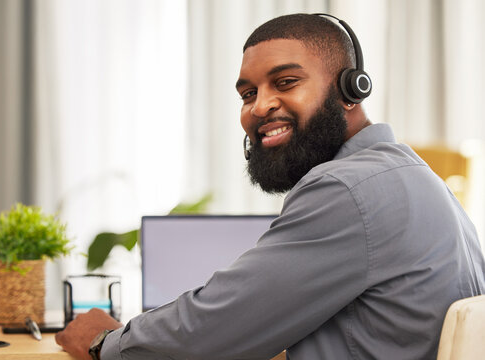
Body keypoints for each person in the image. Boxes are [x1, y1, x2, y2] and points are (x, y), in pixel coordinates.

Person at [56, 13, 485, 360]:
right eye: (247, 93)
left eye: (286, 82)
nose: (259, 107)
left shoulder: (346, 188)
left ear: (351, 90)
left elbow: (214, 330)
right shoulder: (410, 175)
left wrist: (105, 342)